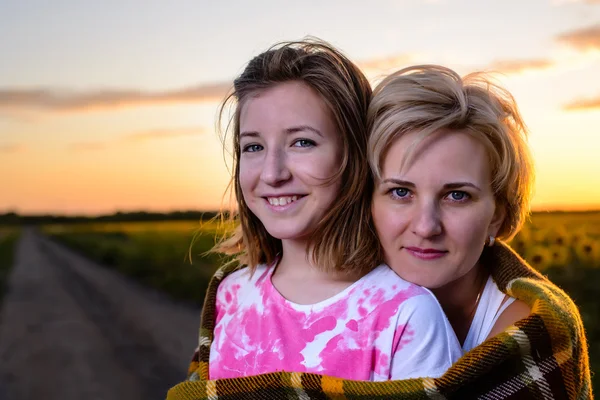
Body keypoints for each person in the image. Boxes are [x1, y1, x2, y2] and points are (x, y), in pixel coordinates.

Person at [167, 64, 592, 400]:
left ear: (498, 215)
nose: (425, 226)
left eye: (457, 196)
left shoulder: (528, 331)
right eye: (400, 191)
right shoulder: (243, 294)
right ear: (365, 192)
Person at [193, 40, 461, 383]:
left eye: (302, 142)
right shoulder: (231, 293)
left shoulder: (404, 315)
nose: (273, 173)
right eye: (254, 146)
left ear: (353, 154)